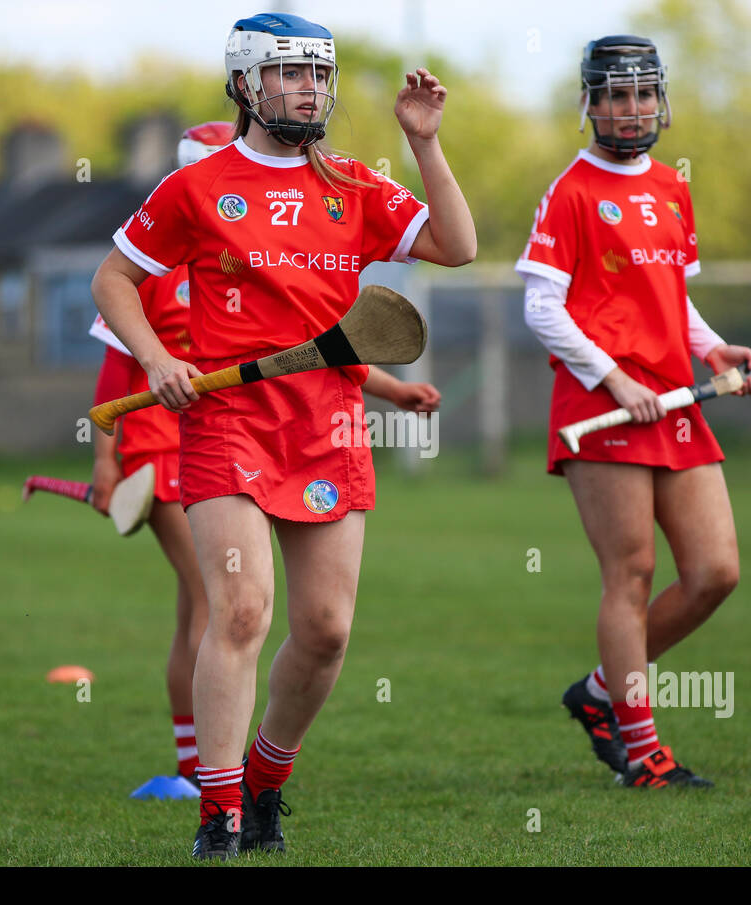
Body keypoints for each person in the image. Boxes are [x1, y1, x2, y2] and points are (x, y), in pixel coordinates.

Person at [91, 12, 474, 857]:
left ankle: (265, 781)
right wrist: (155, 358)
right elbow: (113, 277)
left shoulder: (351, 185)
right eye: (290, 74)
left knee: (329, 630)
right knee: (241, 613)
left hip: (329, 428)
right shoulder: (198, 186)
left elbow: (458, 244)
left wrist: (425, 143)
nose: (309, 89)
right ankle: (219, 812)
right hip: (228, 427)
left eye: (317, 75)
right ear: (245, 84)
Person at [515, 35, 751, 788]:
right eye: (614, 96)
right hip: (602, 404)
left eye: (642, 94)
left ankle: (598, 694)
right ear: (589, 104)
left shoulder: (671, 187)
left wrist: (714, 350)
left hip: (674, 398)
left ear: (661, 100)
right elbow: (542, 307)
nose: (630, 110)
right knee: (631, 573)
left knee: (716, 570)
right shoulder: (572, 191)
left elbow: (673, 301)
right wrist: (613, 377)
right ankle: (642, 752)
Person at [89, 122, 233, 801]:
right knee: (211, 598)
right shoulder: (147, 261)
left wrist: (388, 388)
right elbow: (116, 372)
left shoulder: (235, 262)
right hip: (156, 448)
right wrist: (106, 464)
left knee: (195, 604)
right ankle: (203, 771)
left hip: (215, 443)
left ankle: (190, 767)